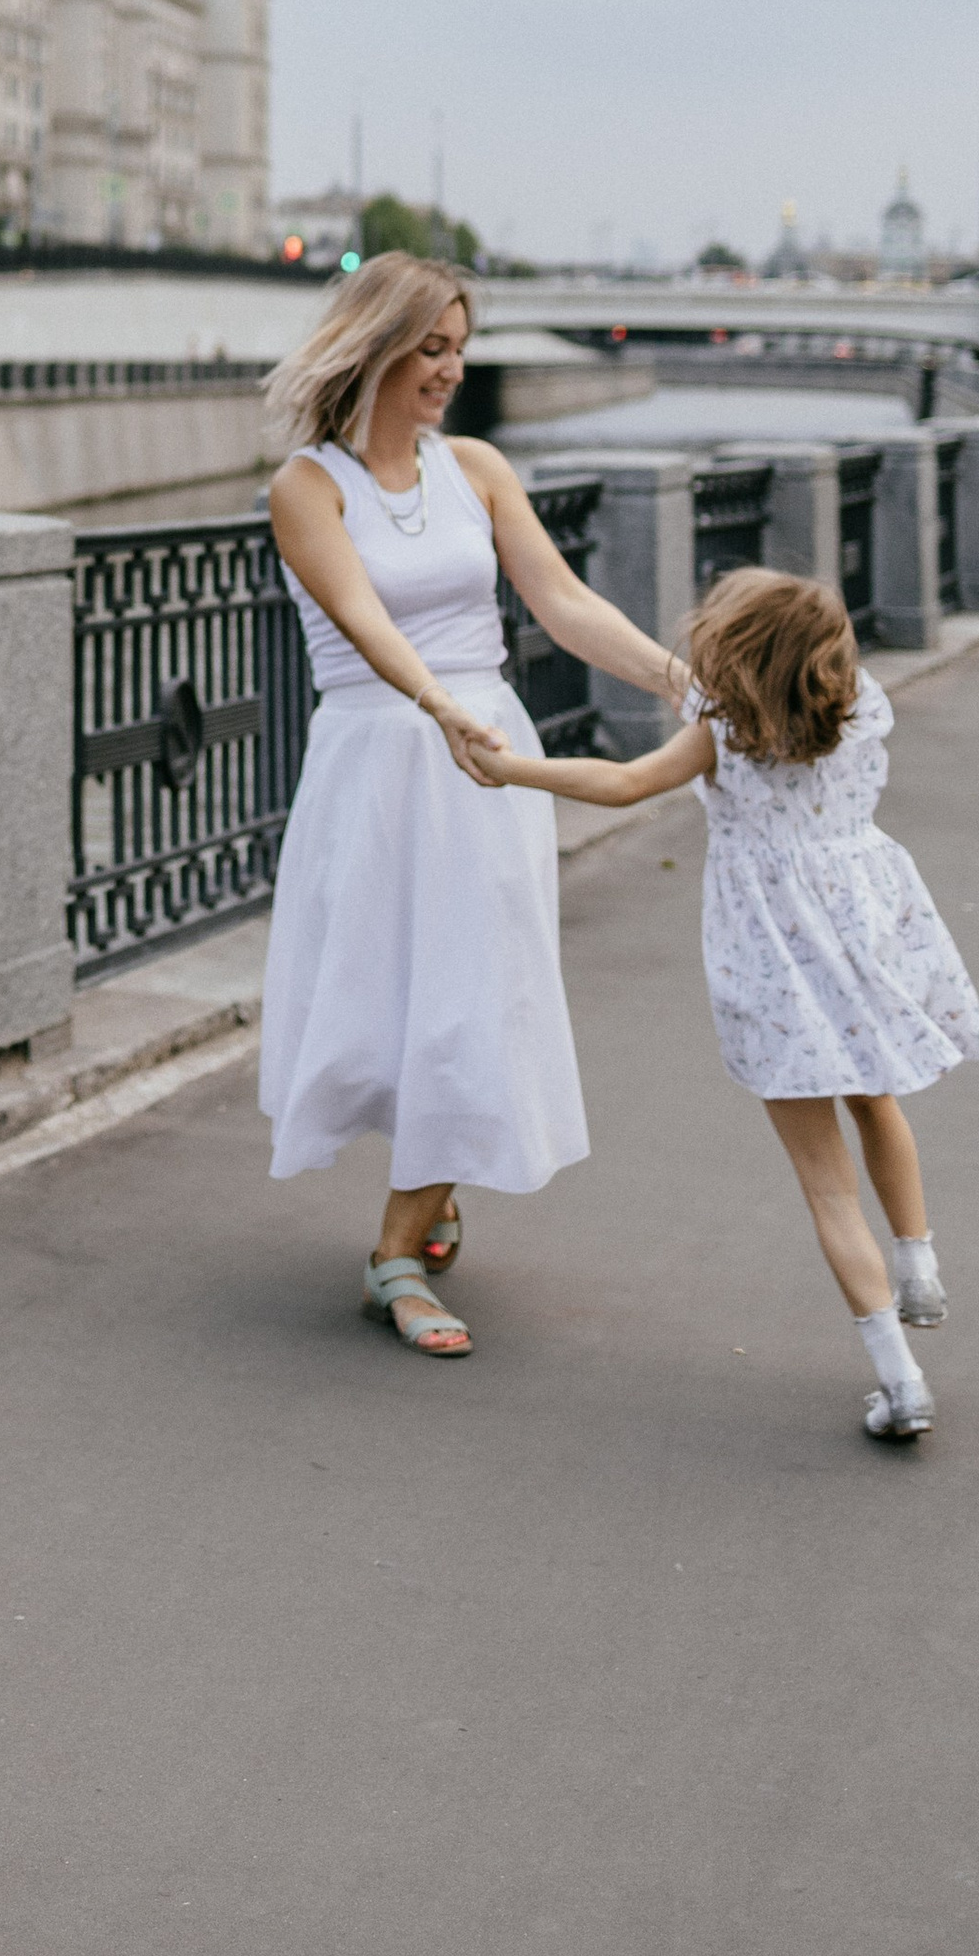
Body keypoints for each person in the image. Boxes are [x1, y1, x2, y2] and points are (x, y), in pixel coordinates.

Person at [261, 255, 686, 1357]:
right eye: (431, 349)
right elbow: (361, 620)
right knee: (393, 1001)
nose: (450, 371)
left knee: (474, 991)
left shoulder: (479, 468)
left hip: (487, 756)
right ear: (375, 349)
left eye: (460, 349)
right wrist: (435, 707)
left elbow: (561, 599)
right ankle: (429, 1190)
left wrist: (674, 677)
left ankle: (393, 1255)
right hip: (381, 756)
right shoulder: (306, 489)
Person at [484, 565, 979, 1442]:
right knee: (878, 1098)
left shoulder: (720, 734)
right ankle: (919, 1262)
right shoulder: (863, 707)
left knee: (827, 1188)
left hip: (773, 961)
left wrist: (511, 769)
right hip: (863, 928)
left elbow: (623, 783)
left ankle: (900, 1381)